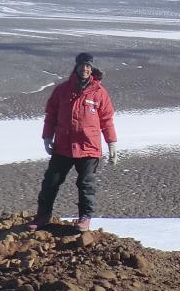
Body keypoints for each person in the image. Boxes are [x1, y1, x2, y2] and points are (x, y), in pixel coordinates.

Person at [33, 52, 118, 230]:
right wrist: (47, 136)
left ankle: (85, 218)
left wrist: (112, 143)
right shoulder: (62, 90)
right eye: (82, 65)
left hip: (89, 147)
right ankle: (43, 216)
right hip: (63, 146)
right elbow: (51, 115)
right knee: (51, 181)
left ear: (92, 68)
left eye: (88, 66)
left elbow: (107, 120)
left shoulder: (99, 93)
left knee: (86, 184)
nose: (85, 69)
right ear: (76, 67)